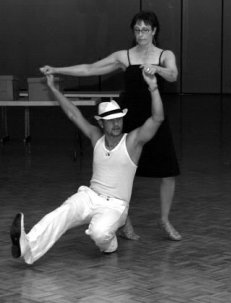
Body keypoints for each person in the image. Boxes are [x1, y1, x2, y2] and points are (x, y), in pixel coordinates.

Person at [40, 10, 181, 241]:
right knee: (123, 172)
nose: (141, 34)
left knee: (168, 172)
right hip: (128, 116)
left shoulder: (165, 55)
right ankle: (124, 221)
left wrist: (157, 69)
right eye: (137, 30)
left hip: (155, 116)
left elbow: (173, 75)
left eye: (146, 29)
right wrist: (56, 70)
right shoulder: (124, 56)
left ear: (154, 31)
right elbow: (89, 68)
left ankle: (164, 219)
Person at [10, 69, 163, 264]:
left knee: (99, 233)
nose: (116, 124)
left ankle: (110, 244)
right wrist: (53, 89)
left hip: (116, 206)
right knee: (62, 212)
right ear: (101, 124)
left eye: (118, 119)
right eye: (110, 120)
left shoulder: (132, 142)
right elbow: (74, 115)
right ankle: (27, 245)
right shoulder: (96, 137)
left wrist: (154, 87)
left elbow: (157, 119)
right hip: (90, 196)